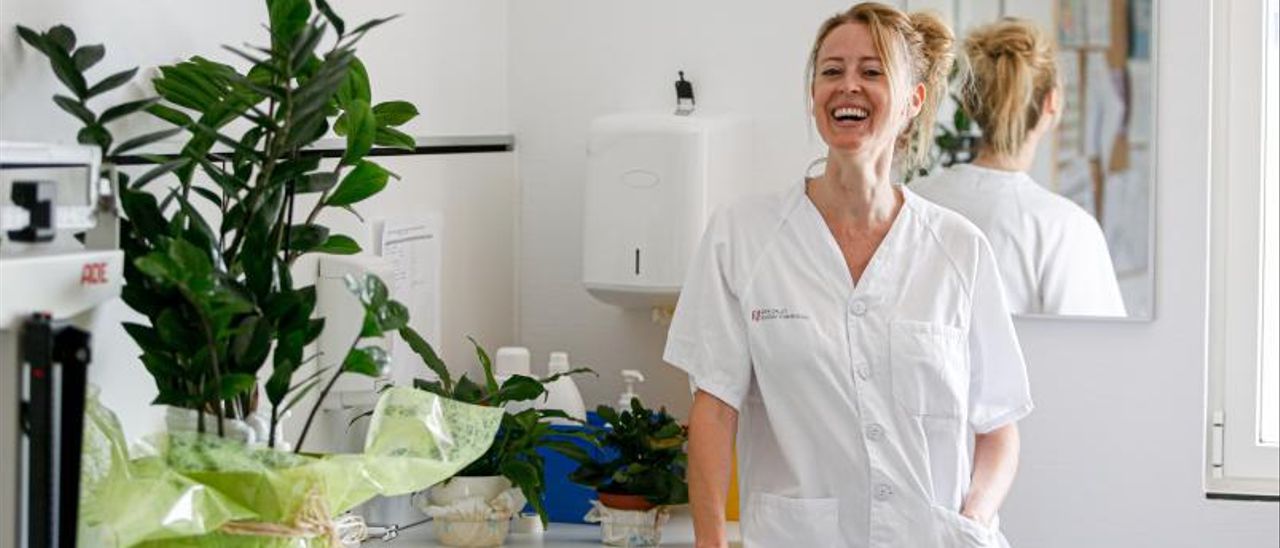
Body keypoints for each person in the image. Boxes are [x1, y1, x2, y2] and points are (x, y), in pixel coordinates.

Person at [663, 3, 1032, 547]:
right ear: (814, 94)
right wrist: (711, 542)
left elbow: (998, 425)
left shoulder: (958, 248)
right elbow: (714, 411)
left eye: (872, 71)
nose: (848, 86)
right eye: (831, 71)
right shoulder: (742, 236)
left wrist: (972, 519)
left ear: (913, 100)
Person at [911, 18, 1126, 317]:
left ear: (969, 103)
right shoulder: (1065, 229)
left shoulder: (912, 201)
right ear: (1052, 102)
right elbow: (1097, 343)